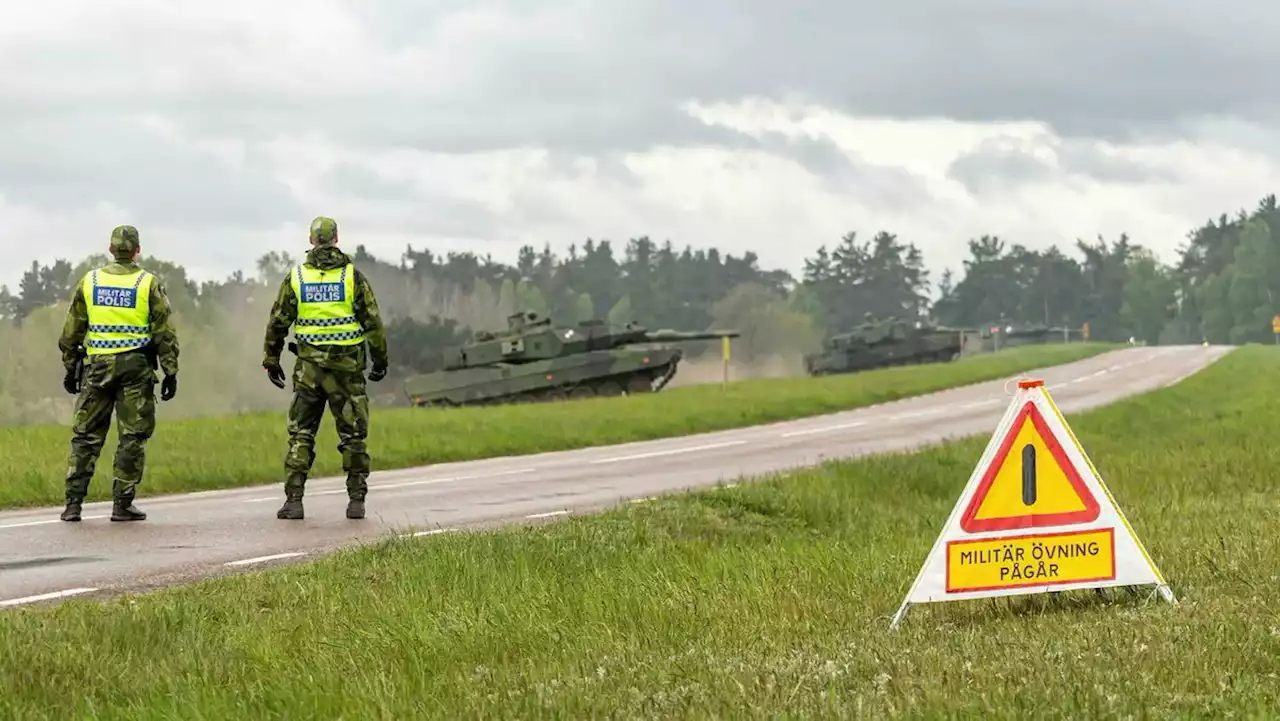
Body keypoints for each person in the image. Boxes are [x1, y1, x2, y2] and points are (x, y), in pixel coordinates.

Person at [262, 216, 388, 520]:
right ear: (336, 239)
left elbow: (278, 321)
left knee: (301, 435)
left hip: (308, 371)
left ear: (310, 240)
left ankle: (294, 501)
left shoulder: (296, 278)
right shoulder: (352, 277)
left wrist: (271, 358)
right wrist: (380, 361)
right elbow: (373, 322)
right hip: (346, 371)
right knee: (353, 436)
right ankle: (356, 501)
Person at [57, 225, 180, 522]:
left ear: (110, 249)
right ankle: (122, 504)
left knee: (85, 437)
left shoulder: (91, 281)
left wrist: (70, 366)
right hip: (135, 369)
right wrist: (171, 370)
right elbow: (164, 331)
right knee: (132, 437)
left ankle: (73, 504)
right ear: (137, 250)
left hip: (96, 368)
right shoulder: (147, 283)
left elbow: (72, 330)